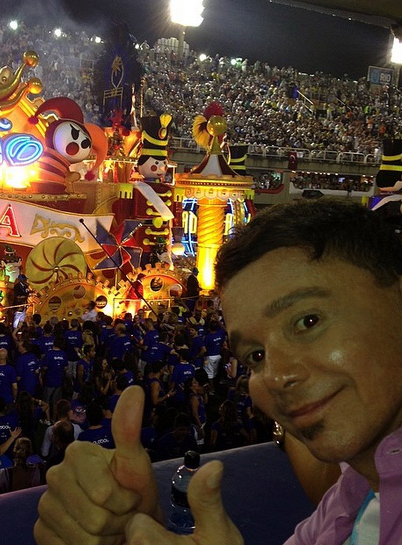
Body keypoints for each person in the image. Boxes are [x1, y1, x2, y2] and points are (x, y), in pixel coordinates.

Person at [35, 199, 402, 545]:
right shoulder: (350, 500)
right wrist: (136, 526)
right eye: (256, 355)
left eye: (308, 321)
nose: (276, 375)